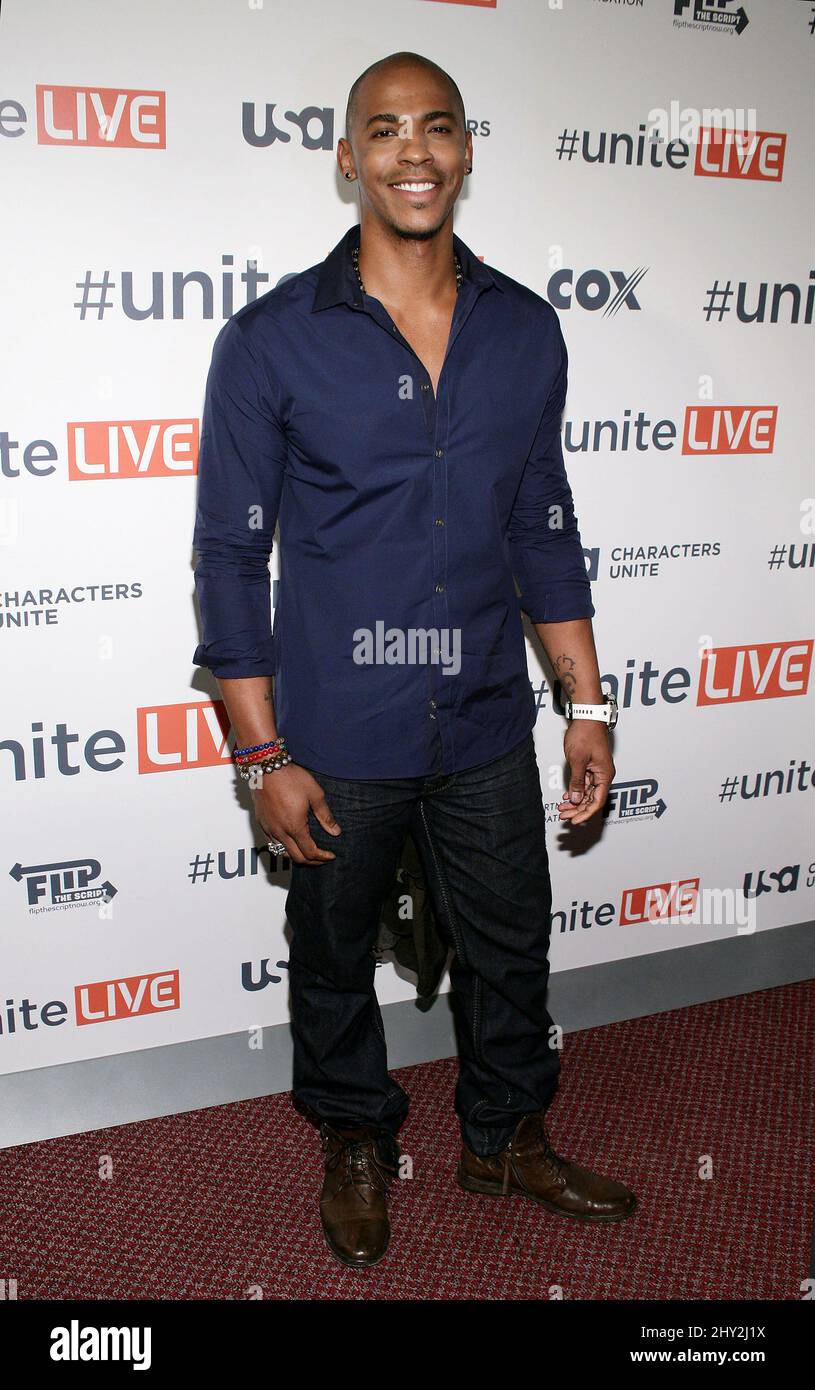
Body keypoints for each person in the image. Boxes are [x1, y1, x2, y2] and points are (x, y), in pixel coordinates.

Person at [191, 50, 637, 1270]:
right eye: (382, 130)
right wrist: (259, 756)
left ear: (466, 149)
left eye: (434, 127)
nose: (411, 152)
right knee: (332, 954)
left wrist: (586, 702)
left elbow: (541, 523)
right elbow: (230, 566)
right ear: (348, 160)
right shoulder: (270, 341)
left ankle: (503, 1134)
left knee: (511, 945)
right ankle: (353, 1136)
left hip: (488, 713)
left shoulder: (523, 332)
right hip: (337, 727)